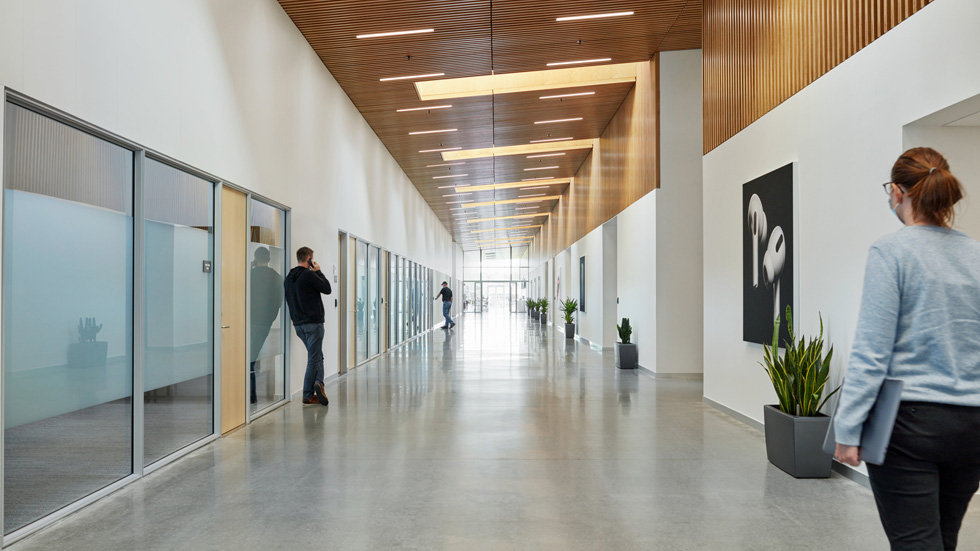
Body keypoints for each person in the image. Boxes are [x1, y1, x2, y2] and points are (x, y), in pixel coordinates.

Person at [834, 147, 980, 550]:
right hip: (972, 425)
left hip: (909, 424)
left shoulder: (892, 251)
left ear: (897, 193)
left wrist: (847, 429)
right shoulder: (976, 255)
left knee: (916, 542)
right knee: (943, 539)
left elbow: (872, 351)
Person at [284, 246, 332, 406]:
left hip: (298, 325)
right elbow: (327, 289)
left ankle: (318, 386)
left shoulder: (289, 278)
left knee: (317, 356)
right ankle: (309, 392)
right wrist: (318, 271)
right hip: (314, 323)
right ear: (309, 259)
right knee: (314, 358)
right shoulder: (309, 275)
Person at [249, 246, 283, 405]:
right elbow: (279, 301)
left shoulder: (250, 275)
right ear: (269, 259)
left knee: (249, 357)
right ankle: (251, 394)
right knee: (252, 356)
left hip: (249, 321)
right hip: (265, 322)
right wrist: (270, 318)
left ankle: (250, 394)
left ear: (256, 257)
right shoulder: (276, 277)